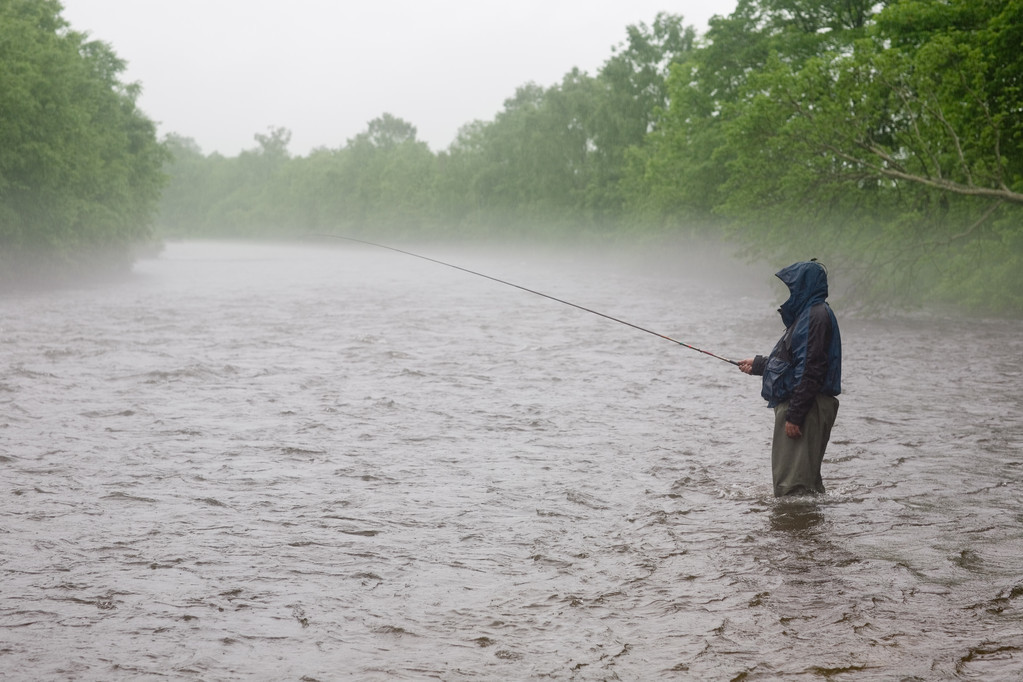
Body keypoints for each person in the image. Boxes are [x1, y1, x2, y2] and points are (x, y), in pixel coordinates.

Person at [738, 260, 842, 497]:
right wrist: (759, 365)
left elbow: (812, 368)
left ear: (805, 286)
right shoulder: (811, 314)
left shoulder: (815, 316)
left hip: (806, 407)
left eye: (794, 286)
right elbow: (795, 362)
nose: (791, 292)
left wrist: (795, 415)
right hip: (807, 404)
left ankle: (796, 533)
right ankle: (809, 531)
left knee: (792, 491)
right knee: (805, 488)